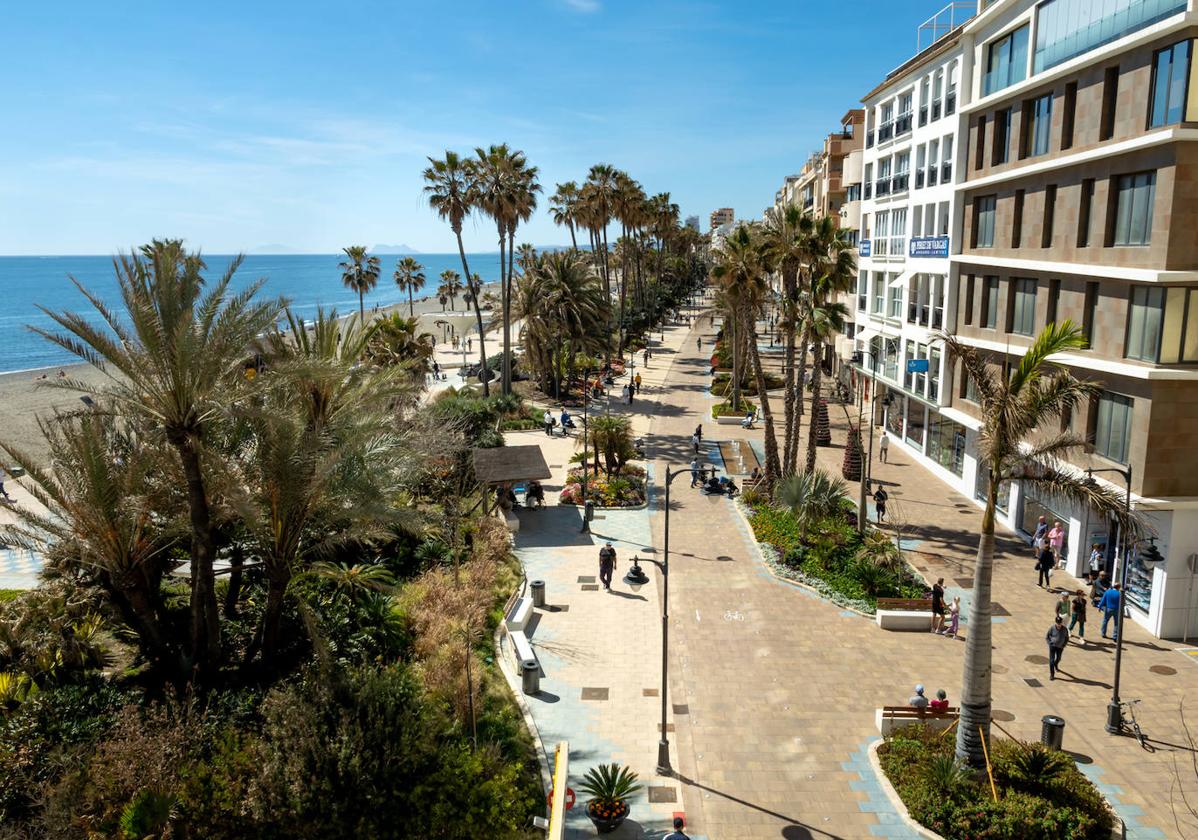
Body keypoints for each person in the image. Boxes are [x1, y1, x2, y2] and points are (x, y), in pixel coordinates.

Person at [1047, 615, 1069, 680]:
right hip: (1052, 646)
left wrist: (1064, 644)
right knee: (1051, 660)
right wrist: (1049, 643)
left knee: (1059, 658)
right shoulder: (1052, 628)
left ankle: (1056, 664)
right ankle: (1052, 674)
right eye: (1058, 623)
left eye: (1060, 623)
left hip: (1060, 647)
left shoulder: (1065, 629)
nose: (1059, 625)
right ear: (1056, 622)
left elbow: (1067, 638)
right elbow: (1047, 636)